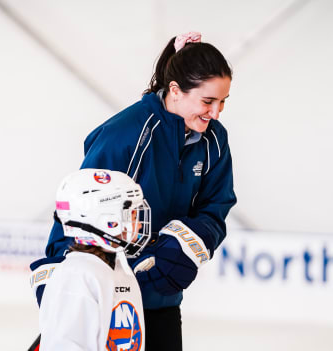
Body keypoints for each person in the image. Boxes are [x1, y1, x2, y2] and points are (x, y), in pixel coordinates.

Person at [36, 31, 236, 350]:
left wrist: (187, 243)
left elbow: (217, 206)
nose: (216, 112)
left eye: (223, 101)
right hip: (108, 298)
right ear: (175, 90)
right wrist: (61, 280)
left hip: (161, 300)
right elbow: (77, 209)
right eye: (208, 101)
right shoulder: (124, 135)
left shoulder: (214, 140)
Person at [33, 169, 152, 351]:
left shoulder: (119, 268)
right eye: (133, 215)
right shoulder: (77, 276)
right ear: (108, 220)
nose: (140, 224)